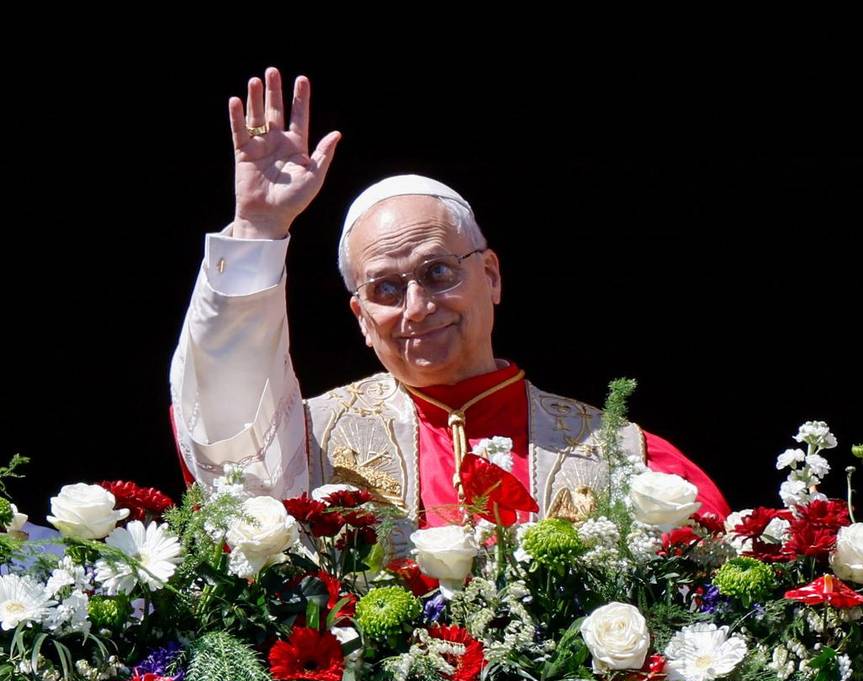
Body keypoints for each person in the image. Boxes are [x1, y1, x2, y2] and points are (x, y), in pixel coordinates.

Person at [170, 68, 729, 549]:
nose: (416, 307)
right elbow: (225, 425)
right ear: (361, 319)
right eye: (385, 289)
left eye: (438, 273)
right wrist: (258, 229)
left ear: (490, 276)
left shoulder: (629, 459)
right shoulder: (302, 441)